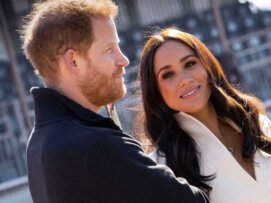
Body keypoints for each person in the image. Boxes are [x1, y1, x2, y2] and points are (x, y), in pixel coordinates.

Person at [21, 1, 209, 202]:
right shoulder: (96, 146)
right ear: (73, 61)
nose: (123, 60)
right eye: (110, 49)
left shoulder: (39, 144)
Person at [138, 27, 271, 203]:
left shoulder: (256, 124)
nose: (185, 79)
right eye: (168, 75)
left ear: (207, 66)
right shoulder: (162, 165)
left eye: (190, 64)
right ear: (155, 91)